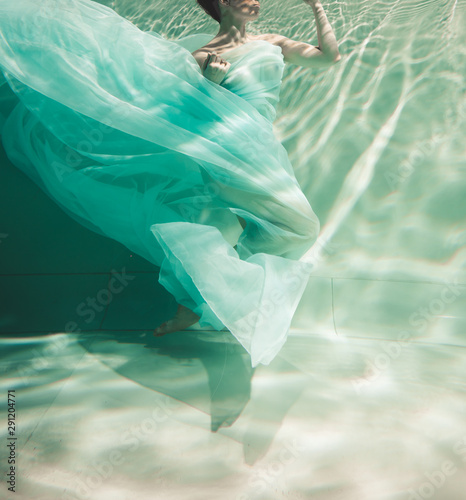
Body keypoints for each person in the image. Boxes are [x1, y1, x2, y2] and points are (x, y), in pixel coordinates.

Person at [0, 0, 340, 367]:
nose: (257, 0)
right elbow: (179, 115)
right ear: (223, 3)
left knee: (273, 228)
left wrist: (317, 7)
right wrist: (209, 83)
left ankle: (202, 298)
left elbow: (328, 58)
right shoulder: (202, 55)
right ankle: (216, 295)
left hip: (262, 148)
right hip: (225, 151)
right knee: (300, 226)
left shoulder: (274, 42)